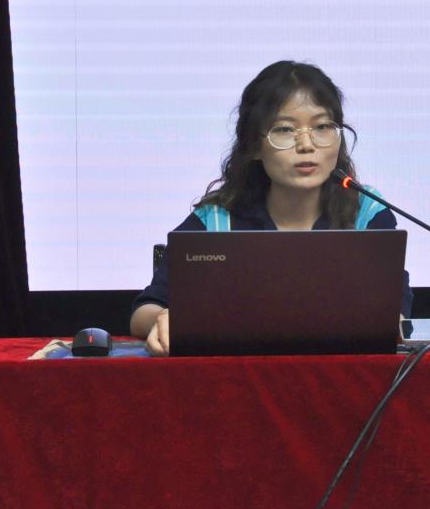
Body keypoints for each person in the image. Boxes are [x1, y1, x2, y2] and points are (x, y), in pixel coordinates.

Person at [129, 60, 411, 355]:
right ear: (253, 145)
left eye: (322, 127)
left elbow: (396, 314)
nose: (306, 145)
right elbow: (143, 311)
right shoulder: (216, 220)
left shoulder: (366, 214)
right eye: (285, 129)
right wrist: (165, 318)